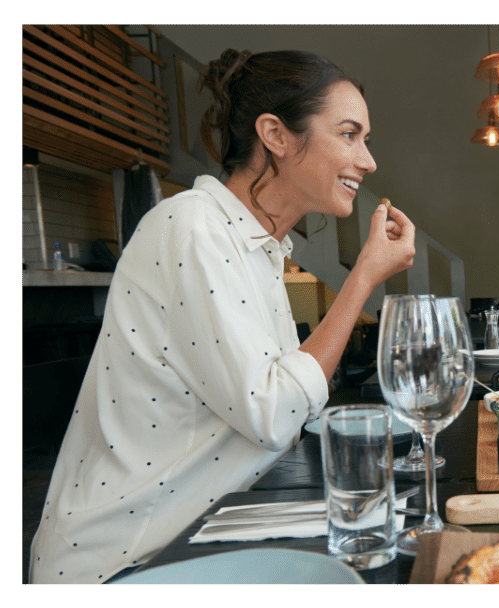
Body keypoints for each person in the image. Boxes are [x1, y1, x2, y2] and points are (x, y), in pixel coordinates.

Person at [30, 49, 416, 584]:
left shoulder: (258, 248)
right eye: (350, 135)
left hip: (200, 532)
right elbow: (274, 413)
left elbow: (285, 407)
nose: (368, 161)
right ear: (275, 135)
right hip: (123, 561)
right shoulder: (192, 228)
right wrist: (363, 278)